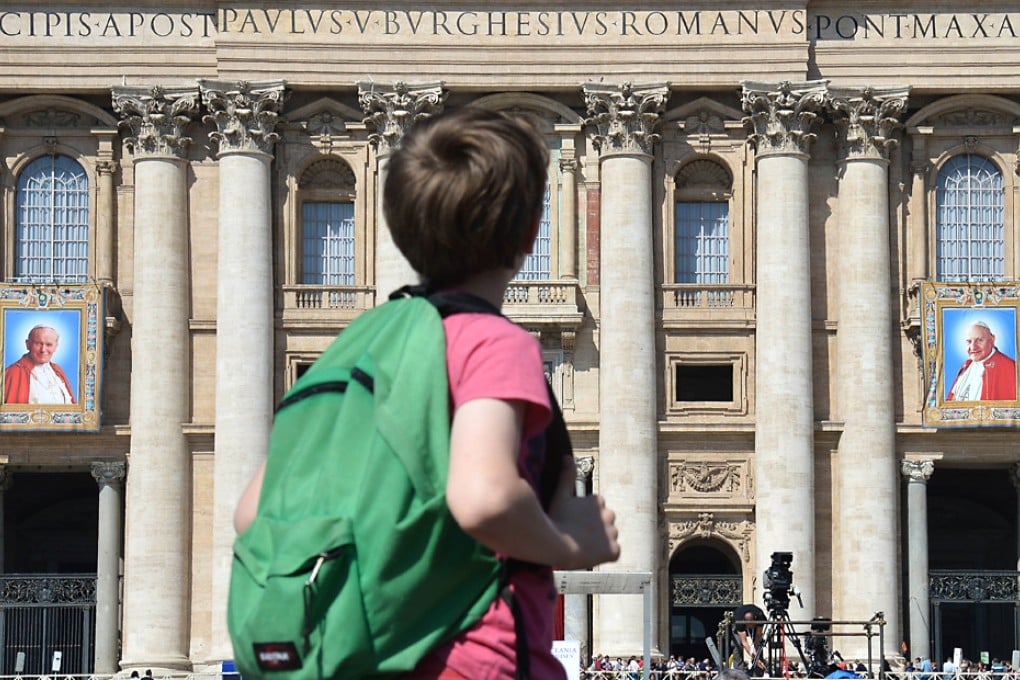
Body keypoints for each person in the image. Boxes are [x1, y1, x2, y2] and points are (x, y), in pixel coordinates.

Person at [234, 107, 621, 680]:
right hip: (471, 656)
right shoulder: (493, 342)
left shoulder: (355, 347)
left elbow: (252, 513)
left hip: (365, 654)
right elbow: (485, 497)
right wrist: (570, 543)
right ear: (531, 233)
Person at [3, 324, 75, 404]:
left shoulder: (57, 370)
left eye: (49, 345)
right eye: (38, 343)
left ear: (56, 347)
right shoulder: (13, 372)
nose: (43, 350)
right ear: (28, 344)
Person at [947, 320, 1017, 401]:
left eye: (979, 340)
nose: (973, 347)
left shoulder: (1010, 367)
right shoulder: (967, 365)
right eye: (969, 341)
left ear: (992, 339)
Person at [731, 603, 766, 673]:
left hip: (755, 624)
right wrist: (754, 656)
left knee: (759, 645)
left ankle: (758, 670)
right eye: (748, 625)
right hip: (738, 622)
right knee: (737, 644)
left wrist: (757, 657)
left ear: (755, 619)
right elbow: (744, 642)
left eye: (752, 624)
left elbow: (758, 637)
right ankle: (738, 671)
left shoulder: (760, 616)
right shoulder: (739, 620)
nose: (750, 627)